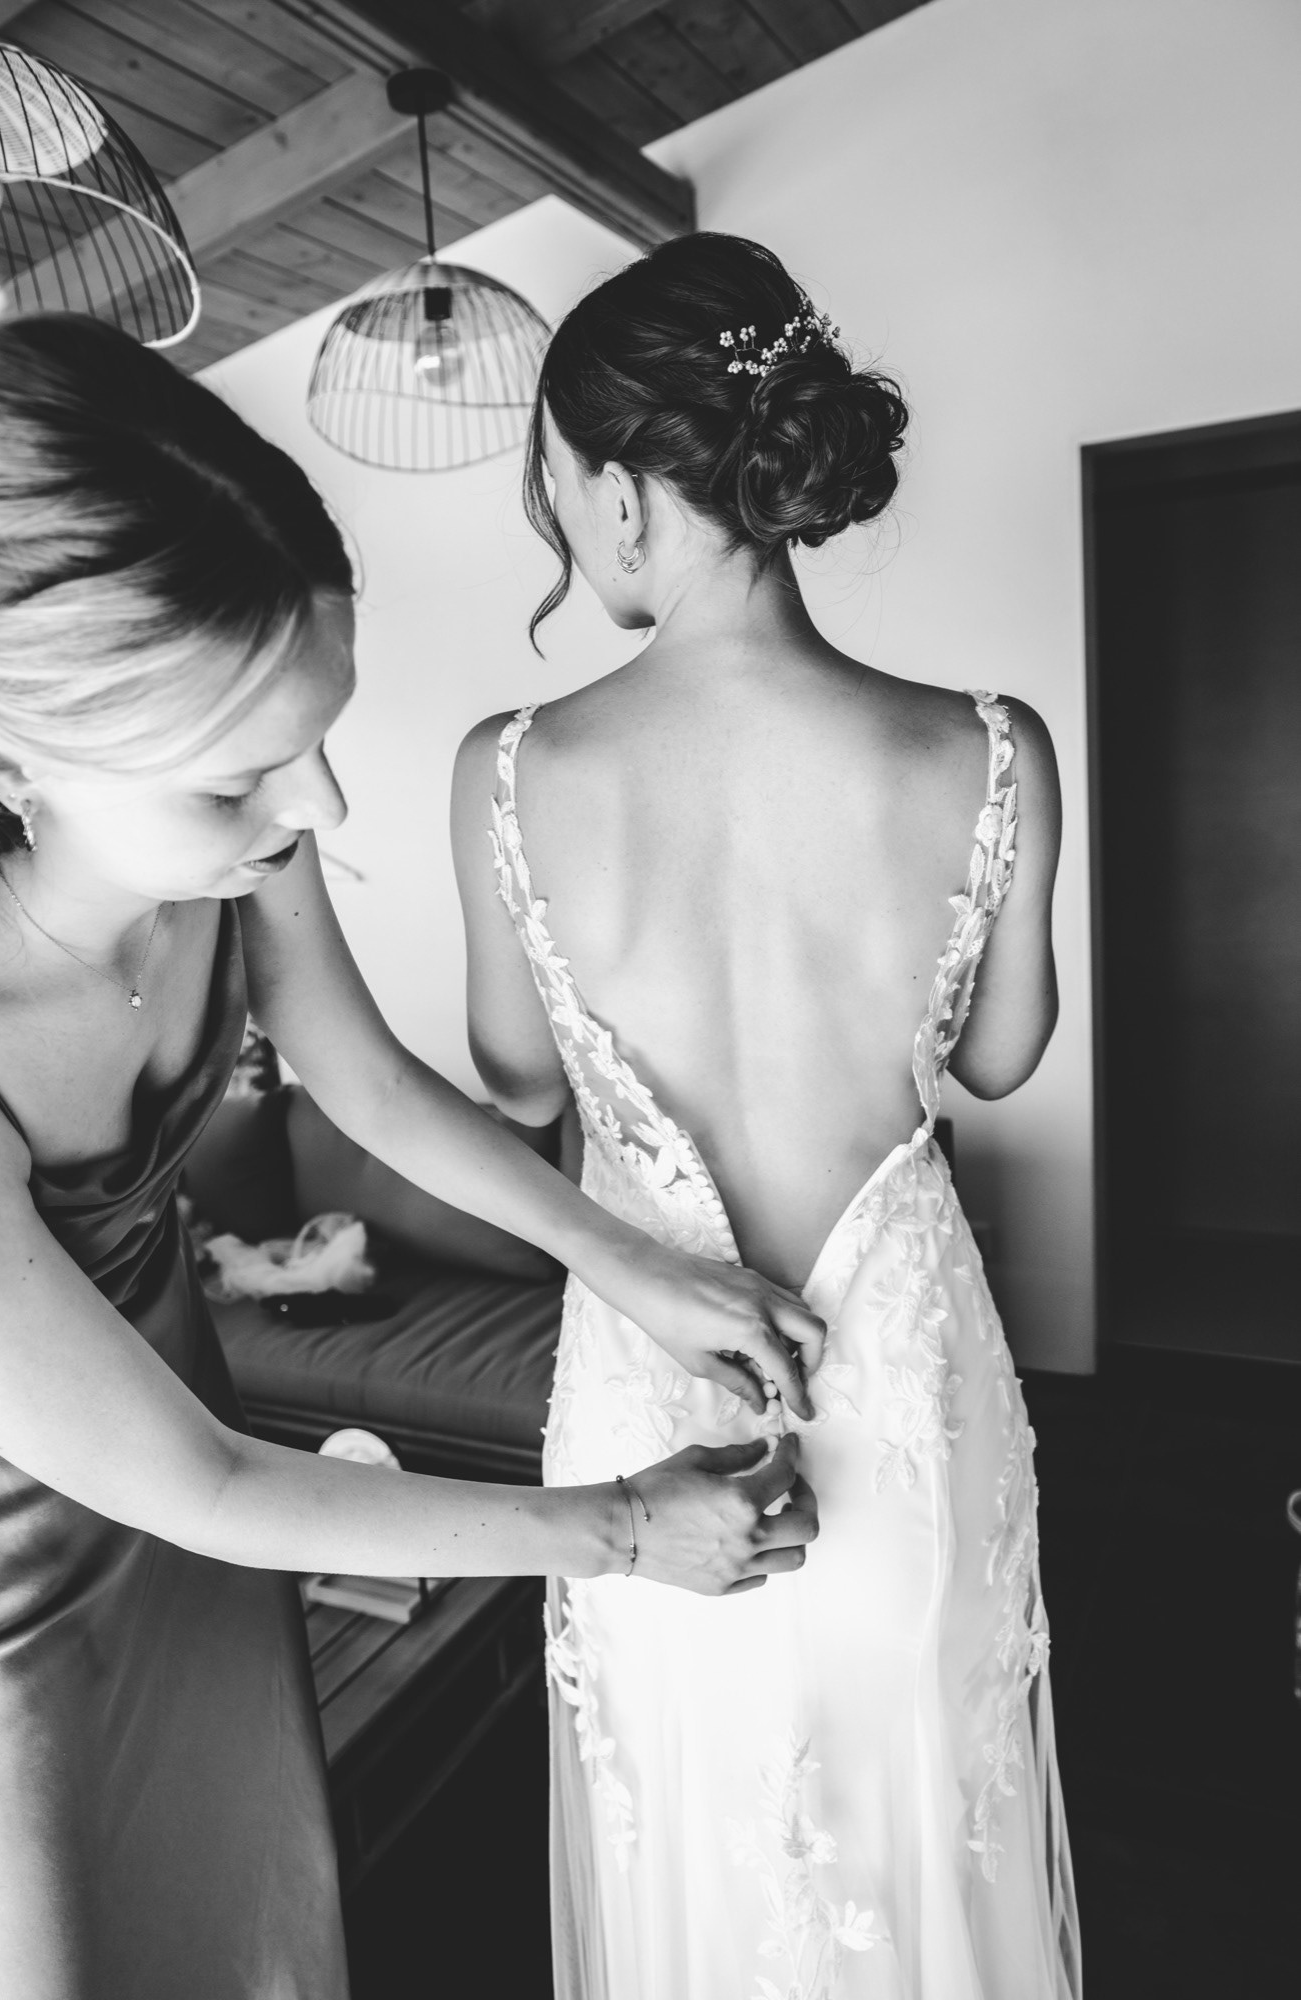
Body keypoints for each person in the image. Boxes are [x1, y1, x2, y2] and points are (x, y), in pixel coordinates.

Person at [0, 304, 825, 2000]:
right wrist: (620, 1531)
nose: (317, 806)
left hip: (203, 1554)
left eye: (321, 733)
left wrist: (634, 1267)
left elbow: (367, 1085)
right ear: (13, 758)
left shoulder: (232, 848)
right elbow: (207, 1483)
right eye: (242, 777)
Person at [452, 233, 1082, 1999]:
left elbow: (516, 1081)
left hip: (650, 1398)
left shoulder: (508, 772)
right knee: (926, 1823)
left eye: (558, 484)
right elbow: (1002, 1057)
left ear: (621, 492)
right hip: (904, 1384)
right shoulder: (992, 747)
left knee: (687, 1836)